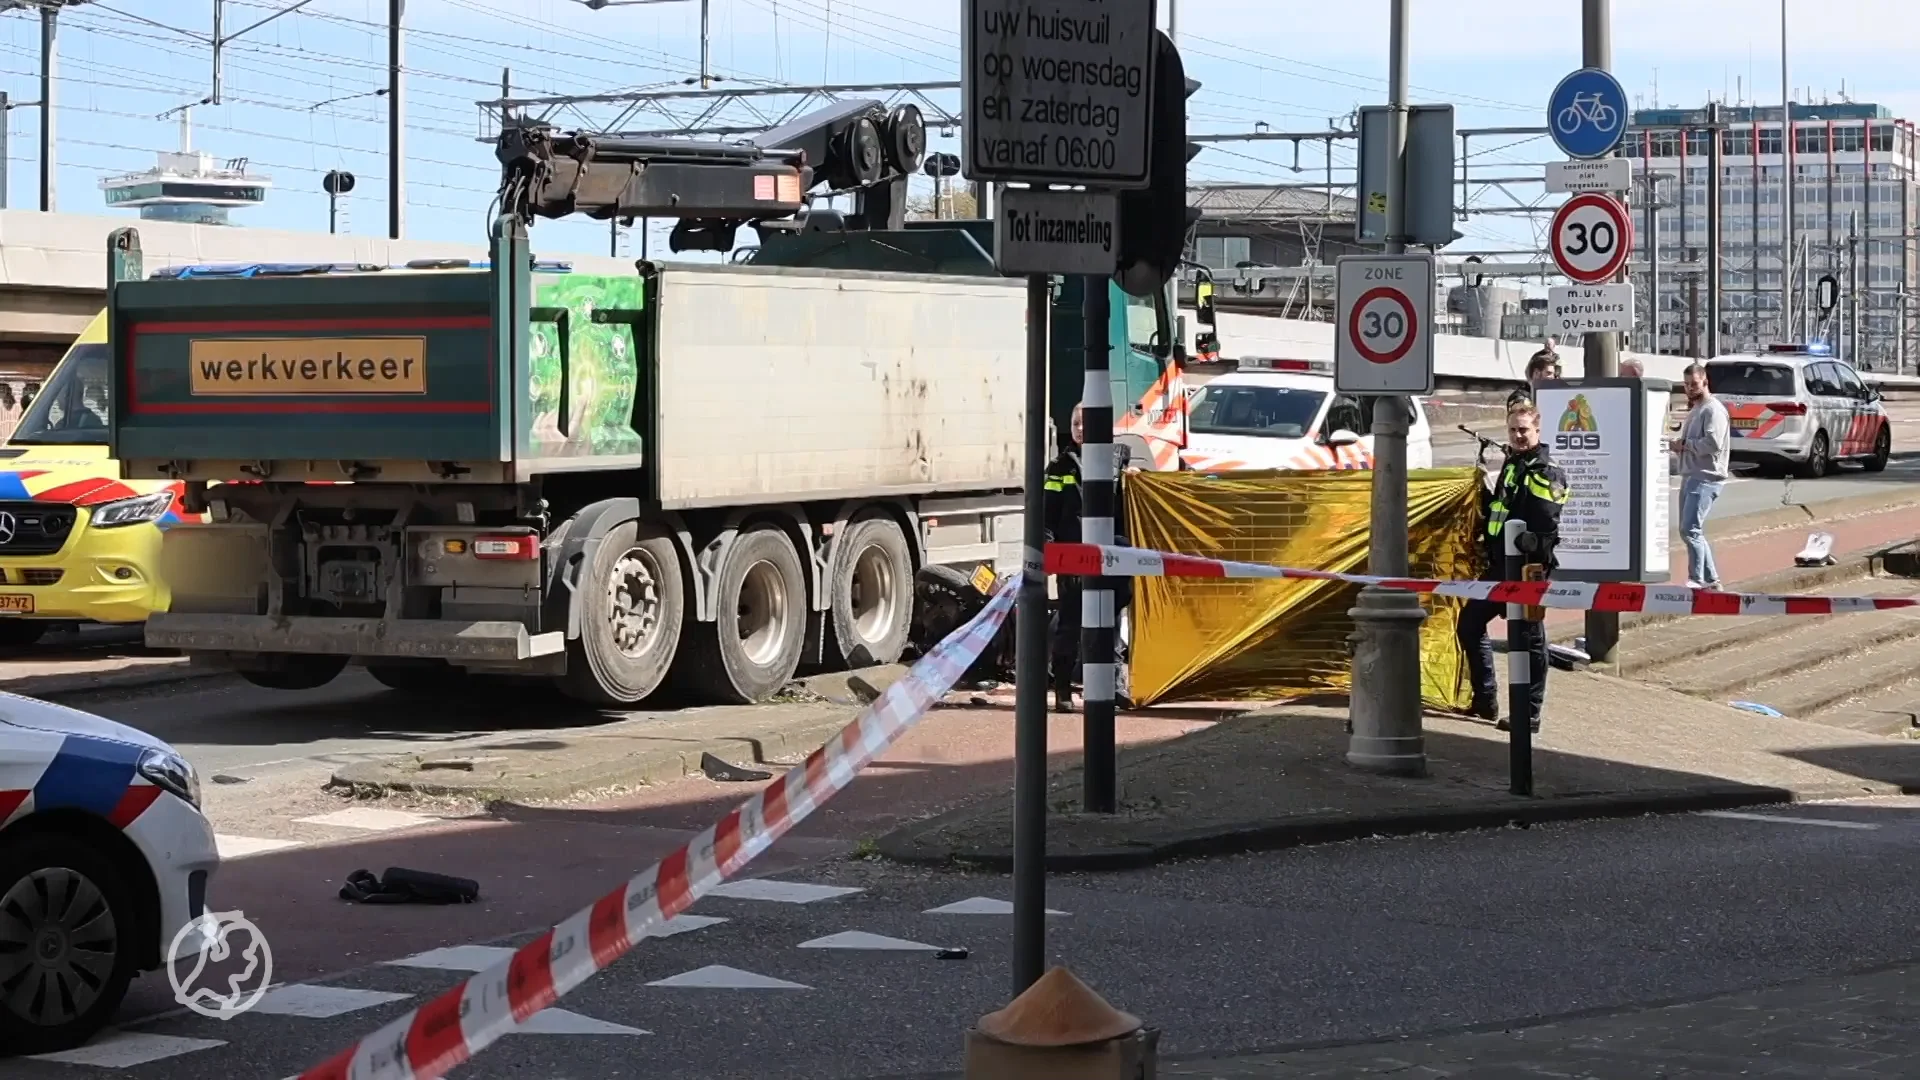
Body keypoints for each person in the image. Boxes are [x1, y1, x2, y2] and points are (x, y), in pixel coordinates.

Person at [1456, 402, 1569, 732]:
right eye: (1513, 430)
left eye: (1524, 430)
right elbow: (1501, 508)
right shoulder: (1513, 463)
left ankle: (1529, 714)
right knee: (1470, 624)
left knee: (1530, 639)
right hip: (1499, 565)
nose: (1518, 435)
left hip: (1527, 569)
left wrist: (1527, 550)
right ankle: (1485, 700)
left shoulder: (1546, 471)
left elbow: (1545, 526)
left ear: (1537, 431)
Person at [1669, 362, 1730, 589]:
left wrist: (1685, 445)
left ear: (1705, 381)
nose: (1690, 389)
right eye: (1686, 385)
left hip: (1705, 477)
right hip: (1691, 475)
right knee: (1688, 530)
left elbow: (1712, 444)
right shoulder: (1696, 409)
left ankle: (1697, 578)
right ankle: (1712, 580)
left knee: (1690, 529)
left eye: (1694, 384)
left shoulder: (1713, 410)